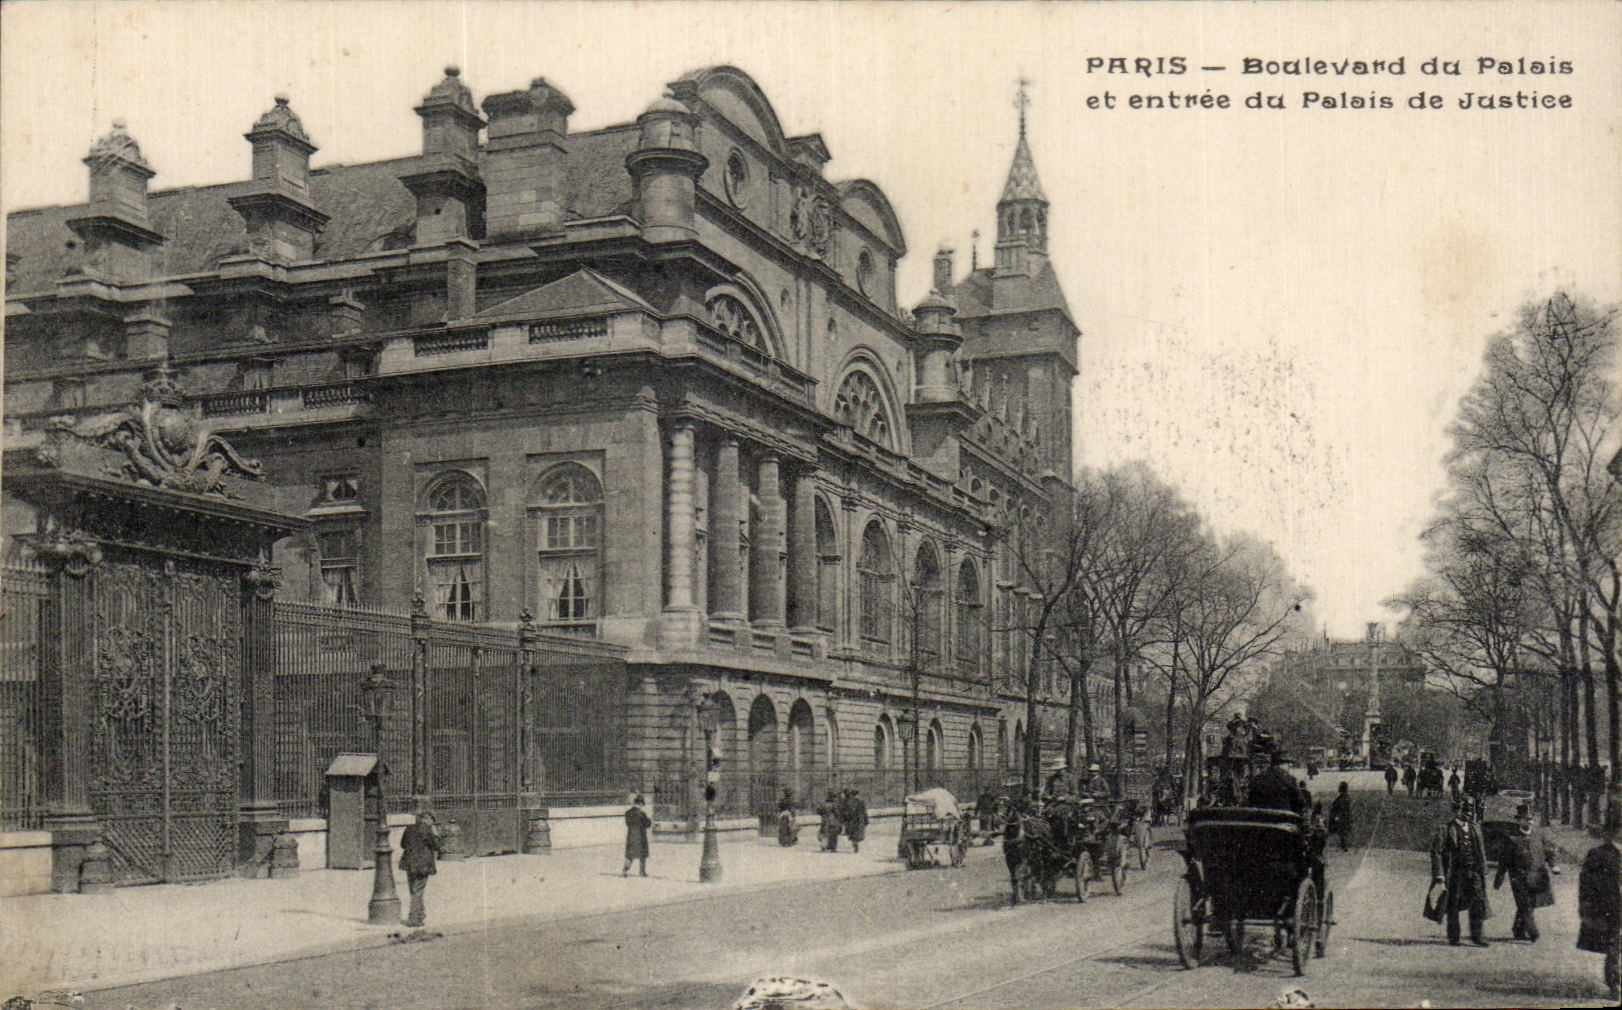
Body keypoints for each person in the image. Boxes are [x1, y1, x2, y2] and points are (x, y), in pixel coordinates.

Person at [1430, 796, 1491, 946]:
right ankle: (1453, 935)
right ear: (1457, 811)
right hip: (1455, 873)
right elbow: (1436, 851)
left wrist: (1483, 868)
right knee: (1453, 904)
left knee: (1478, 902)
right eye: (1465, 810)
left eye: (1471, 810)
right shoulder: (1446, 829)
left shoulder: (1475, 828)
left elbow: (1480, 849)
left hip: (1474, 871)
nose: (1469, 814)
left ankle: (1477, 936)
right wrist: (1439, 875)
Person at [1577, 803, 1622, 1002]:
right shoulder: (1598, 855)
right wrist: (1587, 909)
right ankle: (1615, 983)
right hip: (1610, 909)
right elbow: (1586, 884)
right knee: (1614, 947)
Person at [1493, 804, 1558, 942]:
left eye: (1530, 819)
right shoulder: (1511, 838)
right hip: (1518, 877)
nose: (1528, 822)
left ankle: (1518, 929)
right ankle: (1533, 932)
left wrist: (1554, 865)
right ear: (1519, 821)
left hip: (1537, 876)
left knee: (1530, 904)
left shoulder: (1538, 835)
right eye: (1525, 819)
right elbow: (1503, 860)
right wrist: (1499, 878)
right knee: (1525, 904)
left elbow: (1549, 851)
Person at [399, 807, 443, 928]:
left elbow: (402, 844)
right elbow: (438, 846)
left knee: (414, 890)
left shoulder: (409, 829)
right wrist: (435, 834)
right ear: (428, 819)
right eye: (432, 820)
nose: (432, 823)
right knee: (417, 892)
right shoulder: (428, 831)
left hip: (409, 864)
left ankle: (420, 914)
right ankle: (413, 918)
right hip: (423, 865)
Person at [623, 794, 651, 876]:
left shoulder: (628, 813)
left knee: (630, 854)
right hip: (641, 836)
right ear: (641, 804)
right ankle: (642, 872)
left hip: (631, 835)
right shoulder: (642, 814)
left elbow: (627, 824)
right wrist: (649, 819)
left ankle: (625, 869)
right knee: (643, 854)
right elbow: (647, 824)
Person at [1328, 781, 1353, 851]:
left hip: (1341, 816)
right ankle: (1344, 845)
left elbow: (1338, 806)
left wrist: (1336, 815)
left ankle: (1344, 845)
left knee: (1342, 831)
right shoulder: (1346, 797)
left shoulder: (1342, 798)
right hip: (1345, 816)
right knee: (1343, 831)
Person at [843, 789, 868, 854]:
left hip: (851, 819)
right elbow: (864, 812)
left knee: (853, 832)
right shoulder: (861, 802)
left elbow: (846, 812)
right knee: (857, 832)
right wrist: (866, 820)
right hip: (859, 819)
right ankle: (856, 843)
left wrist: (845, 820)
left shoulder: (849, 802)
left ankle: (854, 844)